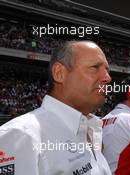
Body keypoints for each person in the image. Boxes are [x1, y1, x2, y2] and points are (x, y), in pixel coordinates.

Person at [0, 41, 112, 174]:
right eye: (95, 67)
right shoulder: (22, 136)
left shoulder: (92, 129)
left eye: (107, 70)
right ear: (59, 73)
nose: (107, 78)